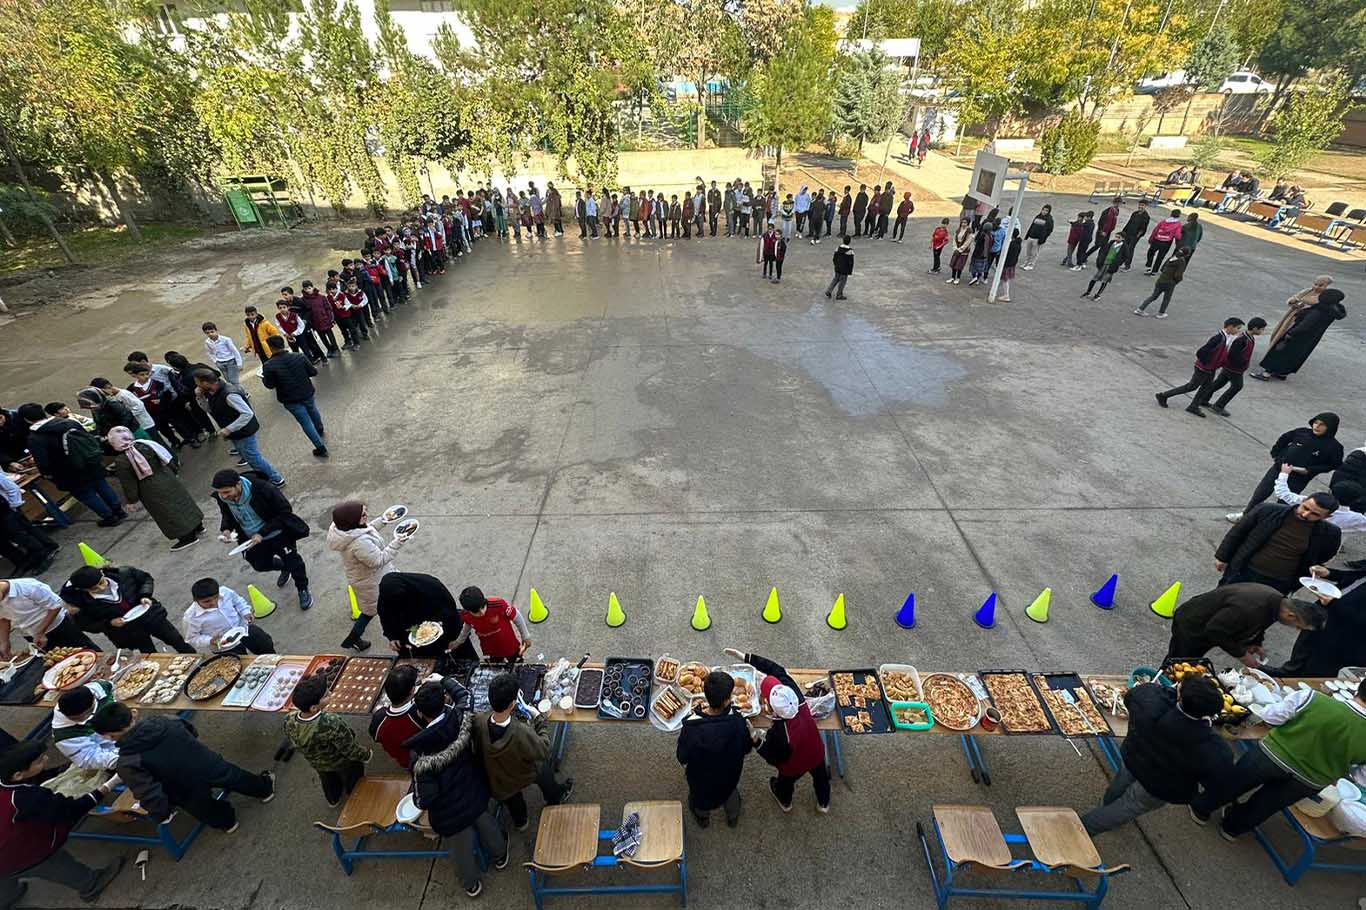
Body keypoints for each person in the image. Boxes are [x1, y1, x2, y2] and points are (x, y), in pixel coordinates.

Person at [1189, 679, 1366, 840]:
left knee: (1236, 782)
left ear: (1358, 688)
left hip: (1273, 754)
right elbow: (1360, 778)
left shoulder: (1313, 698)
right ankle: (1232, 828)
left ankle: (1202, 809)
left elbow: (1271, 716)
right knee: (1266, 805)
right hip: (1309, 780)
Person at [1081, 676, 1232, 835]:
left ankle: (1106, 804)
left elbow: (1133, 697)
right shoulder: (1215, 749)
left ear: (1180, 697)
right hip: (1160, 786)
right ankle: (1082, 829)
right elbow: (1215, 779)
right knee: (1129, 806)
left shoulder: (1149, 700)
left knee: (1121, 782)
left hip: (1135, 756)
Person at [97, 702, 275, 833]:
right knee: (235, 777)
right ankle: (265, 789)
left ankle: (228, 823)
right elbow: (191, 730)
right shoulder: (162, 720)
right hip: (205, 762)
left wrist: (162, 813)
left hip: (181, 788)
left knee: (204, 808)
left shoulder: (127, 761)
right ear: (133, 714)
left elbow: (147, 791)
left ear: (109, 736)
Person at [407, 677, 508, 898]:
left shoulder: (420, 755)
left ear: (421, 714)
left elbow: (423, 800)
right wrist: (444, 680)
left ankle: (471, 883)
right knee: (487, 824)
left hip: (449, 814)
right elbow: (466, 695)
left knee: (460, 849)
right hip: (474, 791)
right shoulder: (460, 717)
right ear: (445, 701)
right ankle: (500, 856)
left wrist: (415, 797)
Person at [0, 741, 123, 906]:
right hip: (13, 852)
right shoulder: (25, 798)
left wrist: (63, 769)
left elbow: (38, 777)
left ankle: (7, 898)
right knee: (51, 863)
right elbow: (71, 810)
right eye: (39, 761)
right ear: (17, 775)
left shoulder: (8, 784)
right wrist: (109, 785)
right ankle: (90, 883)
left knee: (4, 876)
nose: (46, 759)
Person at [724, 648, 828, 812]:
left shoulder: (780, 733)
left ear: (771, 707)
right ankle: (824, 803)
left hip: (795, 764)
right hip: (816, 750)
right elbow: (776, 669)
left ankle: (785, 801)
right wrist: (747, 658)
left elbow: (773, 757)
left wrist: (755, 738)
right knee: (821, 777)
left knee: (785, 783)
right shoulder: (794, 693)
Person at [471, 673, 573, 831]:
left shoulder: (479, 721)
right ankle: (556, 796)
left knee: (512, 797)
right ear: (513, 704)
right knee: (542, 767)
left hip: (497, 779)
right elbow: (543, 749)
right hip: (521, 773)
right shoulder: (519, 731)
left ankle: (521, 822)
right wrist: (538, 719)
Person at [211, 469, 313, 610]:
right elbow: (227, 515)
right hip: (249, 539)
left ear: (238, 484)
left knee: (293, 562)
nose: (223, 496)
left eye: (227, 492)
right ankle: (285, 567)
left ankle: (303, 589)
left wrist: (261, 533)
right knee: (260, 565)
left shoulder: (262, 488)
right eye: (220, 493)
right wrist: (226, 529)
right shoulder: (222, 498)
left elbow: (284, 511)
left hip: (277, 533)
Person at [16, 404, 123, 528]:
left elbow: (43, 462)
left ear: (26, 419)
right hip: (89, 462)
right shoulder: (68, 423)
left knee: (86, 494)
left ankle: (109, 516)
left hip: (68, 472)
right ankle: (119, 511)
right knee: (101, 485)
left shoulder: (35, 438)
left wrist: (48, 475)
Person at [1167, 582, 1325, 665]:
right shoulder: (1249, 609)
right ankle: (1158, 689)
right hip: (1192, 624)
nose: (1294, 628)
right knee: (1179, 661)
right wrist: (1242, 655)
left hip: (1209, 623)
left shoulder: (1277, 603)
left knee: (1190, 661)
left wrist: (1256, 642)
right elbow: (1215, 631)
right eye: (1297, 626)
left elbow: (1262, 624)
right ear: (1291, 615)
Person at [327, 500, 411, 652]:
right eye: (363, 514)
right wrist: (398, 542)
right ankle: (407, 634)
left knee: (369, 611)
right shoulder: (359, 544)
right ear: (353, 520)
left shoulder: (344, 528)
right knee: (388, 607)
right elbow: (378, 560)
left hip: (366, 578)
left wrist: (383, 521)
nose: (367, 516)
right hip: (373, 581)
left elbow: (365, 529)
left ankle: (353, 638)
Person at [1216, 494, 1341, 591]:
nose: (1305, 514)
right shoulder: (1267, 510)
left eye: (1314, 514)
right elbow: (1237, 532)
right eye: (1305, 507)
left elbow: (1325, 555)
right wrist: (1222, 557)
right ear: (1302, 501)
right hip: (1243, 570)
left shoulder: (1330, 533)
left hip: (1279, 582)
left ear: (1326, 517)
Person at [1229, 413, 1344, 518]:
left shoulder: (1334, 447)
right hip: (1278, 470)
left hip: (1298, 478)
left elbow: (1333, 464)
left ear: (1331, 427)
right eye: (1316, 422)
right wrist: (1276, 456)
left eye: (1322, 425)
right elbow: (1284, 439)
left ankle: (1272, 524)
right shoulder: (1302, 432)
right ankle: (1245, 515)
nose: (1317, 426)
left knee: (1284, 504)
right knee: (1260, 494)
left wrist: (1309, 470)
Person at [106, 426, 204, 550]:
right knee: (183, 502)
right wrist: (173, 472)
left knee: (168, 513)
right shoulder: (146, 445)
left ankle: (187, 538)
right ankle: (198, 526)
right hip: (167, 478)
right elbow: (166, 457)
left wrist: (132, 500)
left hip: (150, 489)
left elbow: (129, 483)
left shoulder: (122, 460)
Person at [677, 669, 753, 827]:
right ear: (726, 701)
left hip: (701, 782)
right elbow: (746, 748)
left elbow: (682, 757)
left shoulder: (691, 727)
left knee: (700, 802)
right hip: (729, 777)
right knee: (730, 795)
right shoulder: (738, 723)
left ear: (705, 696)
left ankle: (703, 819)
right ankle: (732, 818)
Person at [60, 564, 194, 654]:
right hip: (128, 632)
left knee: (177, 640)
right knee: (150, 656)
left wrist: (145, 595)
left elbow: (146, 579)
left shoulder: (124, 574)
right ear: (83, 590)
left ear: (102, 573)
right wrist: (108, 623)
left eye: (102, 582)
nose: (101, 588)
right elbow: (85, 624)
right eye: (94, 588)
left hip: (152, 616)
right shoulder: (81, 603)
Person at [285, 674, 371, 807]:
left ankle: (333, 799)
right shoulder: (330, 722)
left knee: (328, 780)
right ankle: (355, 796)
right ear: (313, 707)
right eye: (326, 695)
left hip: (317, 763)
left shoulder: (289, 719)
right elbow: (349, 749)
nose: (330, 693)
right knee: (353, 778)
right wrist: (366, 754)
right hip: (341, 761)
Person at [194, 370, 285, 486]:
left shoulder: (229, 395)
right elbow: (209, 409)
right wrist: (200, 397)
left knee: (254, 458)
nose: (196, 386)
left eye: (197, 383)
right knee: (249, 457)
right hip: (236, 433)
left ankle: (276, 479)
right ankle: (265, 478)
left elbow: (247, 414)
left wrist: (228, 429)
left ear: (206, 383)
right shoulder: (213, 392)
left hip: (243, 432)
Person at [377, 572, 479, 661]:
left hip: (441, 626)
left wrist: (433, 626)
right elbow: (385, 617)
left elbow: (448, 609)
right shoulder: (387, 598)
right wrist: (392, 637)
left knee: (457, 654)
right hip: (413, 636)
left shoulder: (429, 585)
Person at [1252, 288, 1347, 382]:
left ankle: (1266, 374)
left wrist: (1291, 333)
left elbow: (1305, 325)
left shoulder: (1319, 310)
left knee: (1281, 353)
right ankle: (1281, 373)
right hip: (1312, 338)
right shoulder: (1333, 310)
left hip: (1298, 336)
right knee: (1295, 356)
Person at [1154, 318, 1244, 414]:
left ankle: (1194, 406)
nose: (1238, 331)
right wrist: (1206, 364)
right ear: (1230, 327)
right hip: (1204, 368)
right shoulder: (1218, 338)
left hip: (1211, 368)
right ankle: (1163, 395)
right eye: (1237, 328)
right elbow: (1201, 352)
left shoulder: (1226, 337)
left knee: (1206, 387)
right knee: (1191, 386)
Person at [260, 335, 328, 458]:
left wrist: (264, 378)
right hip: (307, 392)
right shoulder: (299, 356)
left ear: (271, 348)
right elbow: (313, 372)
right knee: (313, 410)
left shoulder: (269, 365)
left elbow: (270, 385)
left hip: (290, 398)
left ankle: (320, 447)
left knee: (305, 422)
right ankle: (320, 428)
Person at [1190, 317, 1267, 416]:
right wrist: (1241, 363)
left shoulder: (1249, 338)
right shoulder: (1242, 339)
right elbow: (1233, 354)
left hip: (1230, 368)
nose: (1262, 331)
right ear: (1255, 328)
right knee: (1237, 386)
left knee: (1218, 383)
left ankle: (1204, 399)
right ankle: (1219, 405)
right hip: (1234, 369)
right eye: (1262, 329)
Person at [0, 578, 98, 655]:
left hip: (59, 628)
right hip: (31, 636)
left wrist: (40, 632)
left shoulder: (28, 587)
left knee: (87, 652)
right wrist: (4, 642)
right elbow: (3, 619)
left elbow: (56, 605)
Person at [183, 577, 275, 654]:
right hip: (223, 645)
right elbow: (192, 638)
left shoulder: (225, 592)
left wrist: (246, 612)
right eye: (207, 601)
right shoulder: (190, 617)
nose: (213, 602)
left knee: (265, 645)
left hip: (243, 628)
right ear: (195, 600)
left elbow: (238, 602)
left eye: (216, 598)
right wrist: (210, 640)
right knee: (240, 666)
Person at [51, 681, 120, 771]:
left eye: (88, 714)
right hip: (114, 754)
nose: (84, 719)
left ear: (94, 699)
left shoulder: (101, 688)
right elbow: (89, 758)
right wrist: (123, 756)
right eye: (77, 719)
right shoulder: (64, 735)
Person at [0, 472, 58, 576]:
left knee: (20, 534)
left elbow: (12, 488)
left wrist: (14, 506)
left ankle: (42, 555)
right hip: (6, 512)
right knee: (11, 538)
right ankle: (26, 560)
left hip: (5, 512)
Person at [451, 586, 531, 659]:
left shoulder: (499, 605)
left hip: (509, 645)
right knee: (496, 667)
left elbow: (517, 617)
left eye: (482, 607)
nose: (482, 612)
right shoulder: (466, 615)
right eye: (476, 612)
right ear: (468, 611)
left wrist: (525, 636)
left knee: (515, 661)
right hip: (490, 649)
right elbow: (467, 627)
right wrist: (458, 641)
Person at [370, 664, 423, 769]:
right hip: (426, 758)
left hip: (405, 762)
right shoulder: (420, 713)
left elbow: (375, 736)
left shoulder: (378, 718)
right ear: (412, 690)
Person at [1133, 246, 1189, 318]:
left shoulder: (1171, 258)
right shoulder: (1181, 261)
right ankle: (1161, 313)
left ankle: (1140, 309)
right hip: (1169, 283)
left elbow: (1162, 268)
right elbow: (1178, 275)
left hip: (1160, 280)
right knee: (1166, 298)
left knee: (1153, 296)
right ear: (1186, 254)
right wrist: (1177, 281)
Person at [1081, 236, 1124, 301]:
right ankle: (1088, 292)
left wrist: (1118, 264)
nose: (1116, 238)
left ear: (1122, 238)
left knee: (1104, 281)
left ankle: (1098, 295)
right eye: (1116, 236)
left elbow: (1125, 257)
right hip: (1104, 264)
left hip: (1111, 266)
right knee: (1094, 278)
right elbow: (1103, 252)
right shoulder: (1111, 243)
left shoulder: (1123, 247)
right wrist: (1099, 260)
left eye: (1118, 237)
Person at [202, 321, 243, 386]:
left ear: (216, 330)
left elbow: (234, 351)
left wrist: (239, 363)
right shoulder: (207, 342)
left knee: (234, 381)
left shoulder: (226, 339)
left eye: (212, 332)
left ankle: (244, 394)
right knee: (228, 381)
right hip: (220, 363)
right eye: (207, 333)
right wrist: (216, 361)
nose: (210, 334)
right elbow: (210, 353)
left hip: (231, 361)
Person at [1116, 199, 1151, 270]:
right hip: (1127, 233)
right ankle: (1120, 262)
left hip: (1135, 236)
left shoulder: (1146, 217)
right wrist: (1123, 232)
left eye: (1143, 205)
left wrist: (1137, 236)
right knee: (1123, 247)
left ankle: (1127, 265)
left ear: (1146, 206)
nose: (1141, 206)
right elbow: (1129, 223)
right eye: (1140, 205)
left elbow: (1143, 229)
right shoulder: (1135, 213)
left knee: (1130, 249)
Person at [1088, 196, 1121, 262]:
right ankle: (1085, 255)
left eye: (1119, 203)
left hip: (1108, 232)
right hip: (1102, 232)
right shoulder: (1107, 211)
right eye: (1116, 203)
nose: (1118, 205)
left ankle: (1099, 260)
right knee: (1097, 245)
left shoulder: (1116, 211)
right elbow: (1101, 222)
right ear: (1114, 203)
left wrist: (1109, 230)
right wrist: (1101, 231)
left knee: (1103, 247)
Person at [1021, 205, 1053, 269]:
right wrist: (1027, 235)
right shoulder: (1038, 216)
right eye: (1043, 210)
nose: (1044, 211)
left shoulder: (1049, 220)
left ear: (1049, 212)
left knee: (1034, 253)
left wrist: (1042, 239)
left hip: (1038, 239)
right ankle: (1026, 262)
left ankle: (1031, 265)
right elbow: (1032, 226)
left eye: (1046, 210)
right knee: (1028, 251)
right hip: (1031, 236)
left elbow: (1049, 230)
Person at [996, 229, 1021, 302]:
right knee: (1003, 279)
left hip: (1007, 264)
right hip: (1012, 264)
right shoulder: (1018, 244)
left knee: (1005, 280)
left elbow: (1005, 254)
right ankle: (996, 290)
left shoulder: (1011, 245)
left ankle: (1006, 295)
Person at [946, 218, 972, 284]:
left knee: (959, 265)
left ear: (968, 223)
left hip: (963, 251)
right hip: (957, 249)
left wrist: (961, 249)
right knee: (954, 263)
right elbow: (954, 239)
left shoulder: (969, 232)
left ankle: (958, 278)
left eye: (965, 223)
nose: (963, 224)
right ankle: (952, 277)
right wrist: (955, 247)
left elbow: (968, 242)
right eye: (962, 222)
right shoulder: (958, 230)